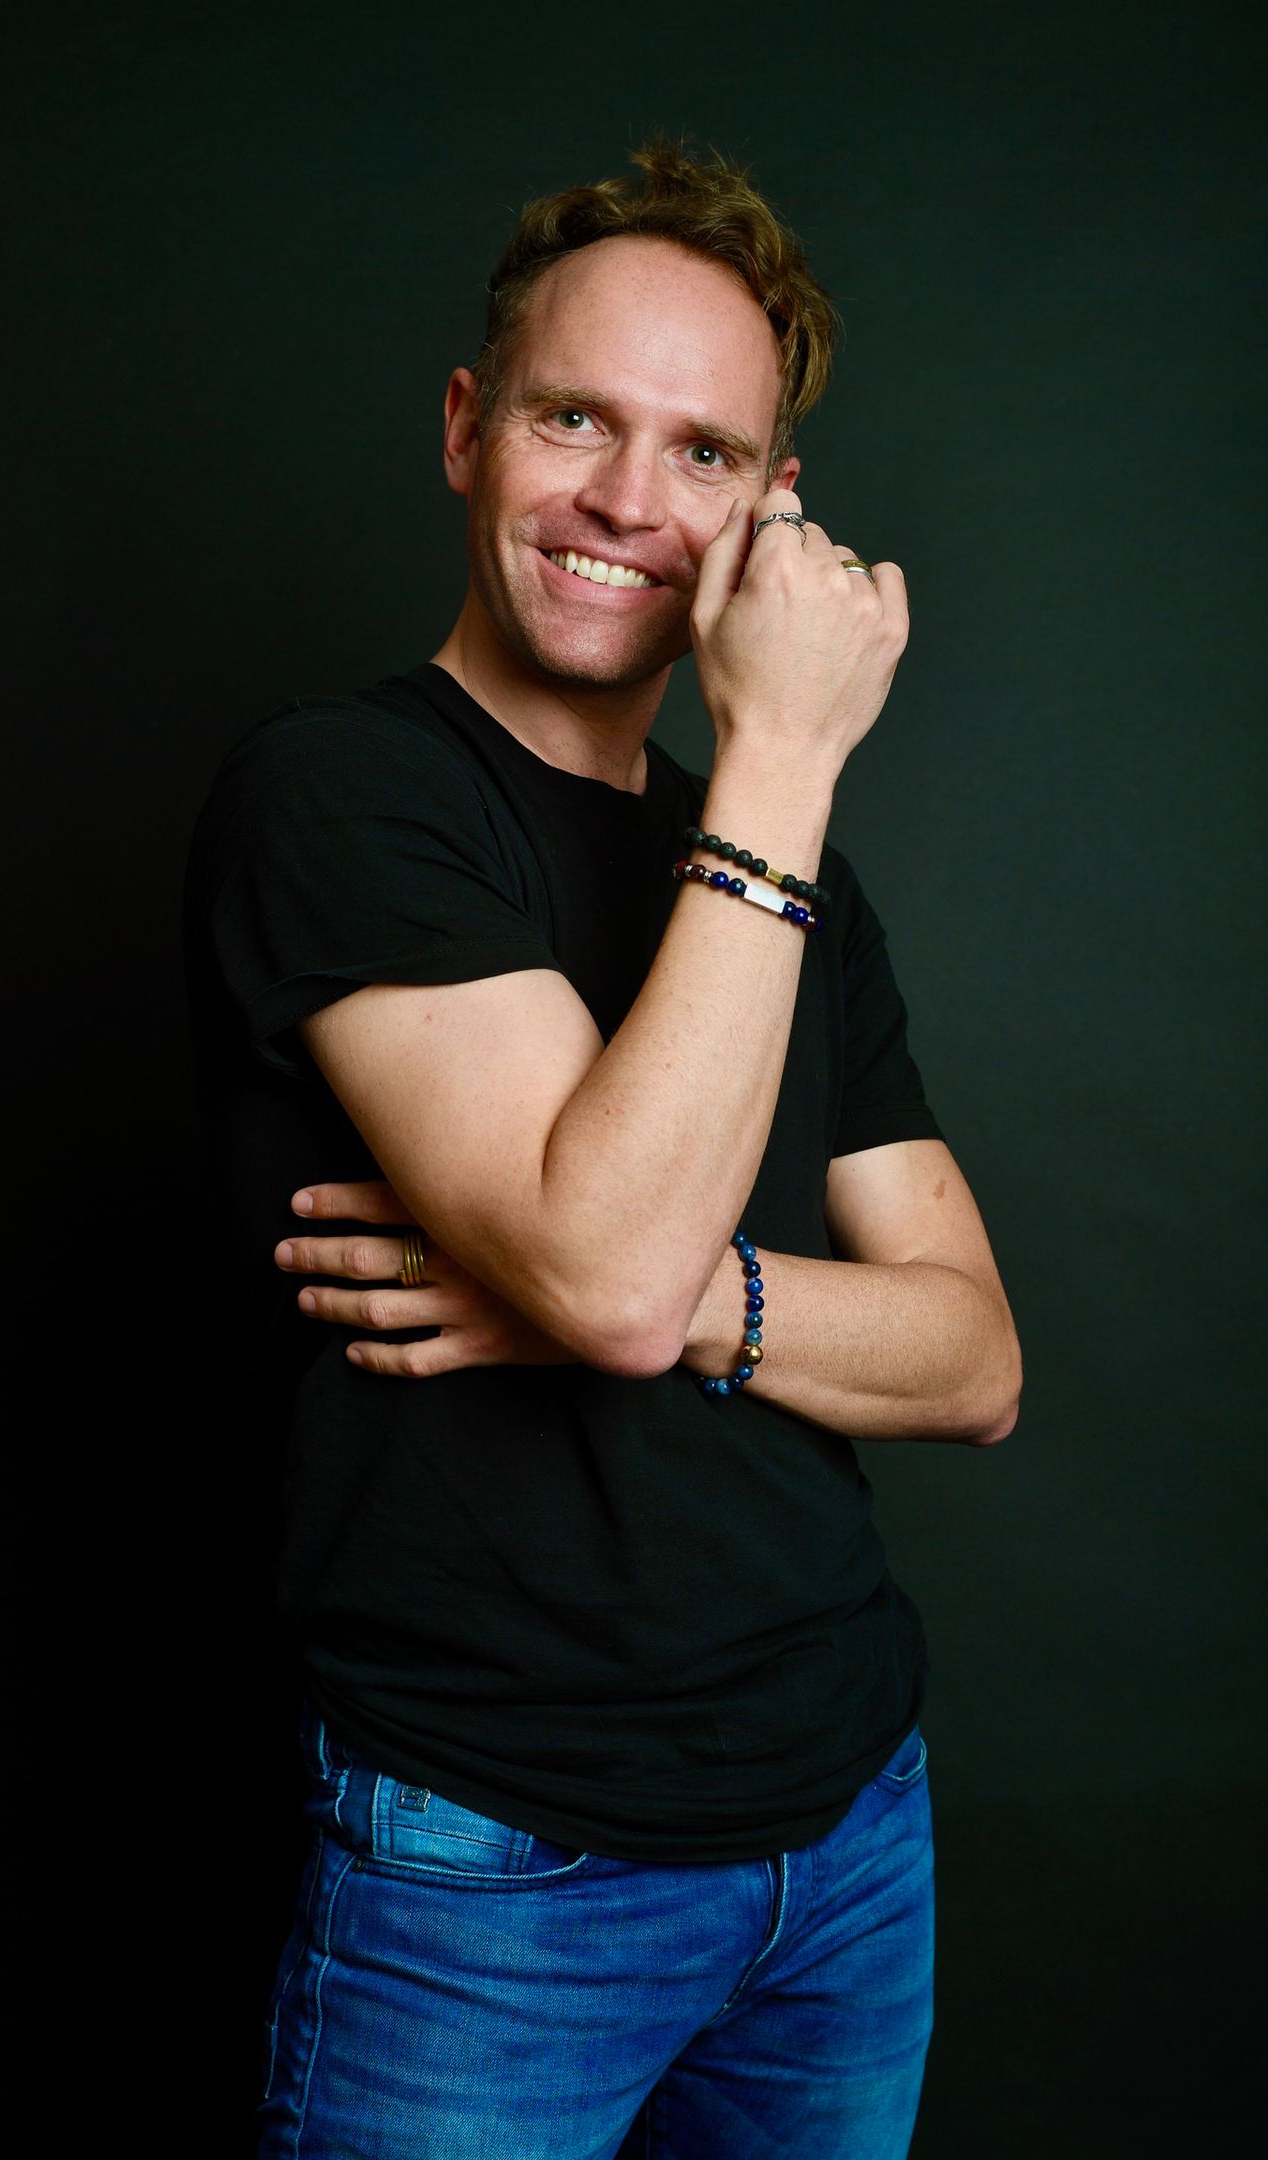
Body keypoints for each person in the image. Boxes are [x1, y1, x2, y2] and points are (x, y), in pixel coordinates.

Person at [182, 138, 1021, 2160]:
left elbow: (975, 1359)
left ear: (765, 510)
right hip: (496, 1876)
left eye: (703, 453)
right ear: (466, 431)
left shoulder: (796, 889)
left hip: (848, 1834)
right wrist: (788, 753)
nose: (631, 501)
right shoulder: (345, 794)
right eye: (574, 419)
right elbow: (614, 1272)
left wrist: (654, 1300)